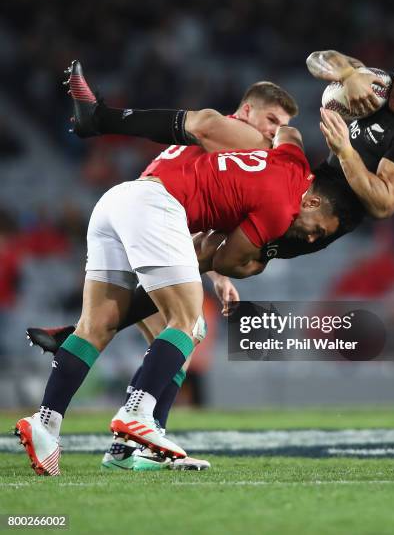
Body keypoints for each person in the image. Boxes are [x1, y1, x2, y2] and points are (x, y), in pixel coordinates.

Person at [16, 62, 358, 476]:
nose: (271, 131)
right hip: (157, 210)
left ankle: (51, 424)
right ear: (247, 109)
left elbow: (265, 158)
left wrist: (217, 271)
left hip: (121, 204)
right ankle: (138, 418)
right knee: (188, 320)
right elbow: (226, 247)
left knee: (118, 329)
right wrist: (251, 260)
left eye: (277, 126)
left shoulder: (275, 155)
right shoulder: (240, 140)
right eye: (269, 119)